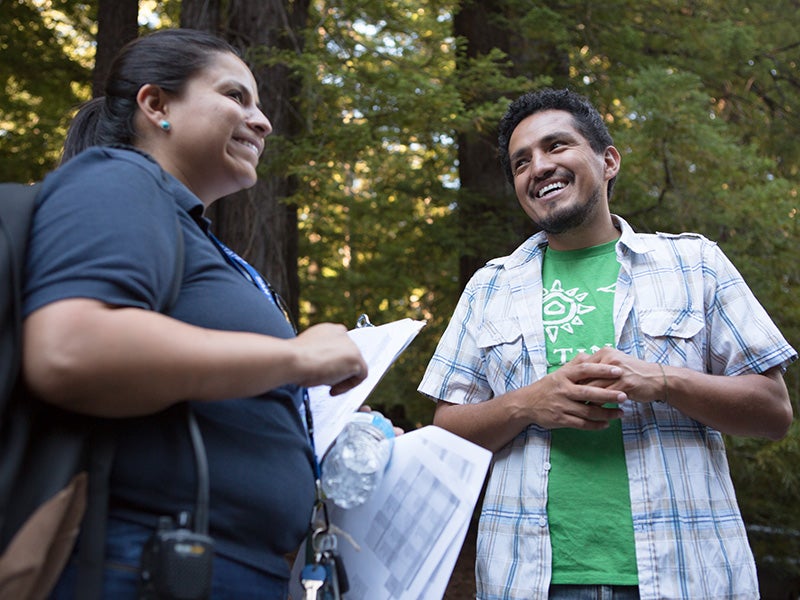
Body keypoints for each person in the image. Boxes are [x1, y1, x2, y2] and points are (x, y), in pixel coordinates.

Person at [22, 29, 369, 598]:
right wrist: (294, 357)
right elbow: (71, 347)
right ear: (156, 105)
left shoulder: (191, 232)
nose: (262, 121)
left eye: (258, 103)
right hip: (144, 567)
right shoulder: (118, 178)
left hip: (220, 568)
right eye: (236, 96)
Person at [418, 88, 797, 600]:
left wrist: (662, 380)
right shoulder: (490, 286)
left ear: (608, 160)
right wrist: (530, 403)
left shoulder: (696, 264)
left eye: (557, 146)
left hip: (686, 575)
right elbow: (447, 431)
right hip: (528, 580)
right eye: (521, 162)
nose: (539, 167)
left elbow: (773, 412)